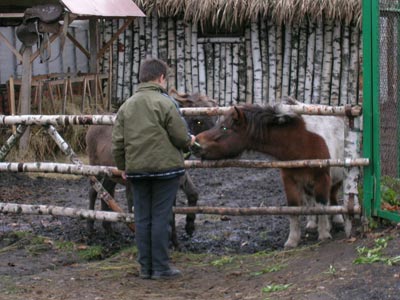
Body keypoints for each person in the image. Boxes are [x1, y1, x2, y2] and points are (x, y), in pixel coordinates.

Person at [112, 58, 195, 280]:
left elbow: (117, 142)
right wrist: (190, 141)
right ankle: (160, 267)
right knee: (160, 217)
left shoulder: (127, 105)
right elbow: (179, 137)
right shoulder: (166, 103)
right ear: (161, 78)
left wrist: (123, 167)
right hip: (165, 170)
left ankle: (145, 267)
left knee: (142, 217)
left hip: (136, 171)